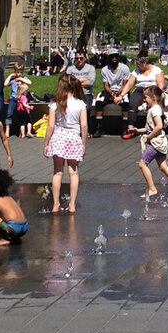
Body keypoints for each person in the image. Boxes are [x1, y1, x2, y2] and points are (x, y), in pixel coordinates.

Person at [43, 73, 87, 213]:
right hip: (73, 139)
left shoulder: (54, 104)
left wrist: (46, 143)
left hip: (58, 138)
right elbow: (84, 126)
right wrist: (83, 143)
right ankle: (72, 204)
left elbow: (50, 126)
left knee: (57, 172)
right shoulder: (80, 104)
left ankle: (55, 204)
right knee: (73, 172)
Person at [137, 85, 168, 200]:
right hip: (160, 141)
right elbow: (151, 127)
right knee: (163, 166)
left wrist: (149, 136)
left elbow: (159, 126)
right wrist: (139, 130)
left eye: (146, 97)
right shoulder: (155, 108)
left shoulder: (154, 110)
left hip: (156, 142)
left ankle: (152, 189)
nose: (144, 100)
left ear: (153, 97)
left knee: (142, 164)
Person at [117, 56, 163, 139]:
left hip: (152, 90)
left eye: (139, 64)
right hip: (139, 90)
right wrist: (121, 96)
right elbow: (129, 84)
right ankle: (131, 129)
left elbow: (160, 86)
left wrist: (156, 95)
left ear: (144, 64)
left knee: (153, 106)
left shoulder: (157, 70)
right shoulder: (136, 71)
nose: (137, 66)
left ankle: (153, 129)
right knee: (132, 104)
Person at [94, 54, 130, 138]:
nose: (114, 58)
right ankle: (99, 127)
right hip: (109, 90)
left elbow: (125, 84)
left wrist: (119, 93)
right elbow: (105, 85)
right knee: (99, 101)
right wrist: (111, 93)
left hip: (122, 90)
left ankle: (124, 128)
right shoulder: (104, 70)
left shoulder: (124, 68)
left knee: (126, 102)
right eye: (112, 57)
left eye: (116, 57)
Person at [64, 50, 96, 134]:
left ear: (85, 58)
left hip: (86, 94)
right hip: (73, 94)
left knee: (87, 109)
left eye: (81, 58)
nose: (79, 60)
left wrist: (75, 82)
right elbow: (67, 82)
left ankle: (86, 130)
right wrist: (83, 80)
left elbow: (90, 82)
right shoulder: (70, 69)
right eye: (77, 58)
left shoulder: (90, 68)